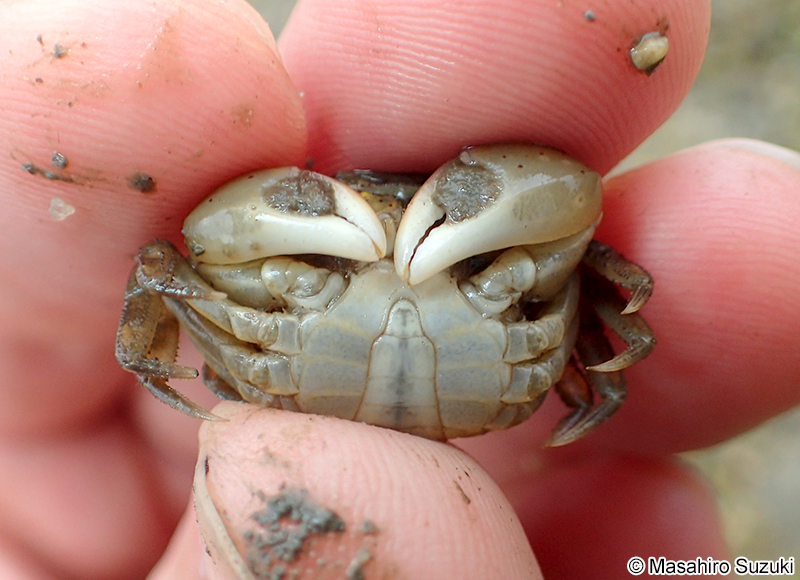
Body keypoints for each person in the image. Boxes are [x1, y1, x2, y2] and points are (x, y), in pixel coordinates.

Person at [1, 0, 798, 578]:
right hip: (411, 387)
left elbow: (615, 278)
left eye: (422, 202)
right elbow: (164, 270)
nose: (395, 223)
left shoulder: (516, 269)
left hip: (433, 377)